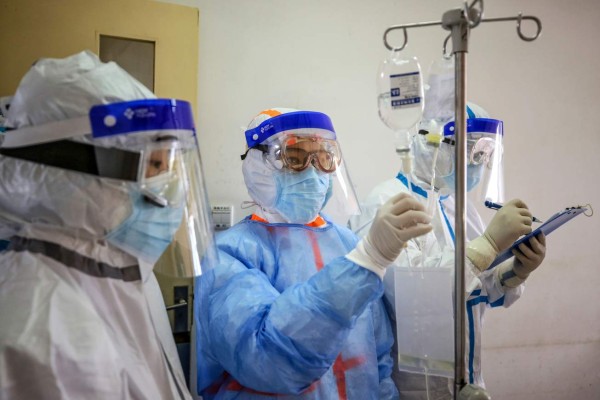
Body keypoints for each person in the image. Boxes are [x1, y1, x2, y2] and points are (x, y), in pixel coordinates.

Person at [0, 51, 217, 399]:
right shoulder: (43, 328)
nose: (170, 190)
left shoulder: (117, 272)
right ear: (73, 173)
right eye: (156, 166)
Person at [194, 107, 433, 399]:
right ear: (259, 166)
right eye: (294, 158)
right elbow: (269, 359)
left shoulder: (347, 244)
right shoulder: (229, 256)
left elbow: (378, 355)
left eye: (322, 158)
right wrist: (367, 260)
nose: (312, 171)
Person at [350, 105, 547, 399]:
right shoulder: (387, 203)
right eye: (470, 150)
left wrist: (515, 270)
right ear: (432, 144)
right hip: (415, 388)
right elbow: (415, 299)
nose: (477, 162)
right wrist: (489, 245)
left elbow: (477, 287)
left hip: (468, 378)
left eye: (483, 154)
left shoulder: (456, 206)